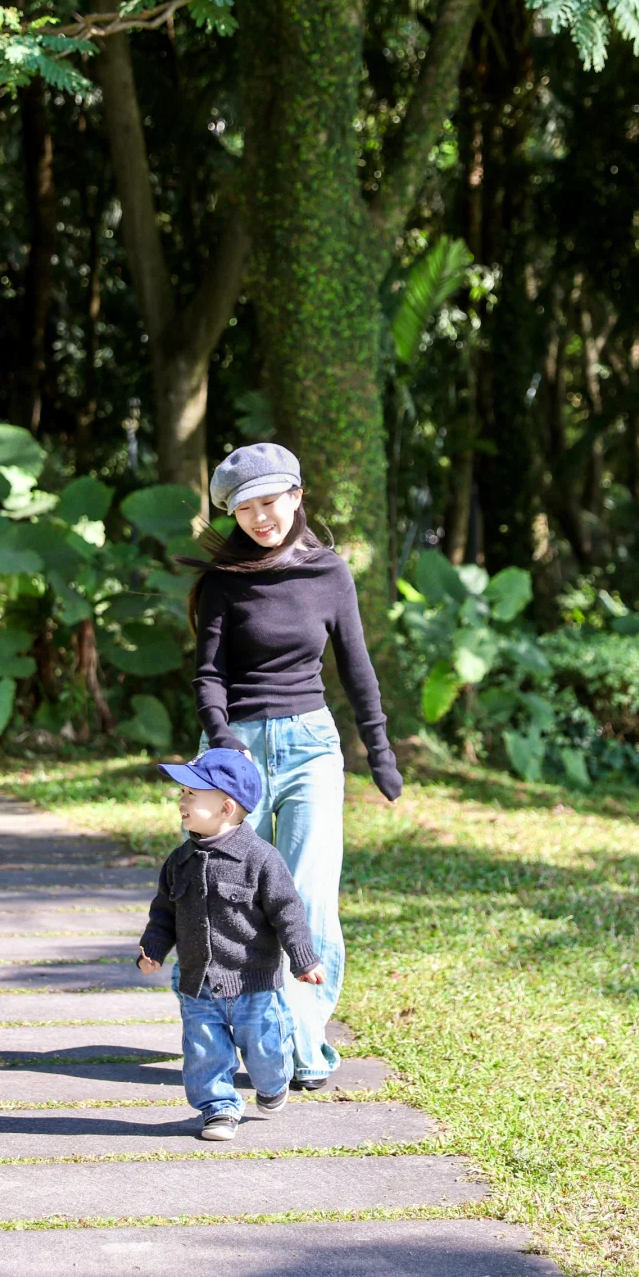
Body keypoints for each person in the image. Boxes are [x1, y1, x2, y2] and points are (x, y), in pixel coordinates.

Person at [184, 442, 402, 1090]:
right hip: (235, 750)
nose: (260, 517)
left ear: (296, 497)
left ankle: (302, 1047)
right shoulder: (226, 581)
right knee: (228, 901)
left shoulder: (329, 573)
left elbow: (357, 672)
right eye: (244, 507)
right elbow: (209, 676)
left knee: (307, 901)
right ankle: (244, 1035)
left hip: (311, 746)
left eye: (270, 501)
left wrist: (380, 750)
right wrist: (222, 739)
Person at [136, 748, 326, 1142]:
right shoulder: (179, 861)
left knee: (266, 1052)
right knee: (205, 1052)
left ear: (225, 807)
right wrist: (153, 948)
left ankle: (273, 1084)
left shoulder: (261, 859)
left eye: (191, 794)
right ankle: (218, 1109)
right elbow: (163, 913)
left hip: (254, 984)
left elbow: (287, 912)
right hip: (198, 983)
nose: (181, 802)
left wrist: (303, 959)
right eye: (182, 794)